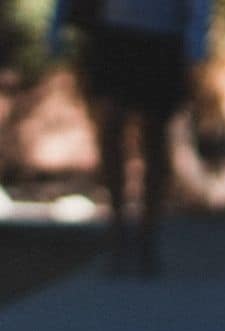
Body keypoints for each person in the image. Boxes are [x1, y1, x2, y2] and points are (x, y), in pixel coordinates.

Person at [49, 0, 211, 276]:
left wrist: (195, 45)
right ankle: (117, 229)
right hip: (112, 36)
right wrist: (56, 26)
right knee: (110, 129)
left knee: (155, 138)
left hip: (162, 38)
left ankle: (148, 234)